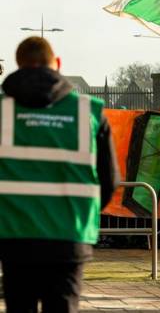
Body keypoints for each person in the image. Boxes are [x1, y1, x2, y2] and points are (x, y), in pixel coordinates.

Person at [0, 37, 120, 312]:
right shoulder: (88, 112)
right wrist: (81, 212)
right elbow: (110, 179)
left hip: (14, 236)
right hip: (69, 236)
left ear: (18, 65)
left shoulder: (2, 111)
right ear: (58, 64)